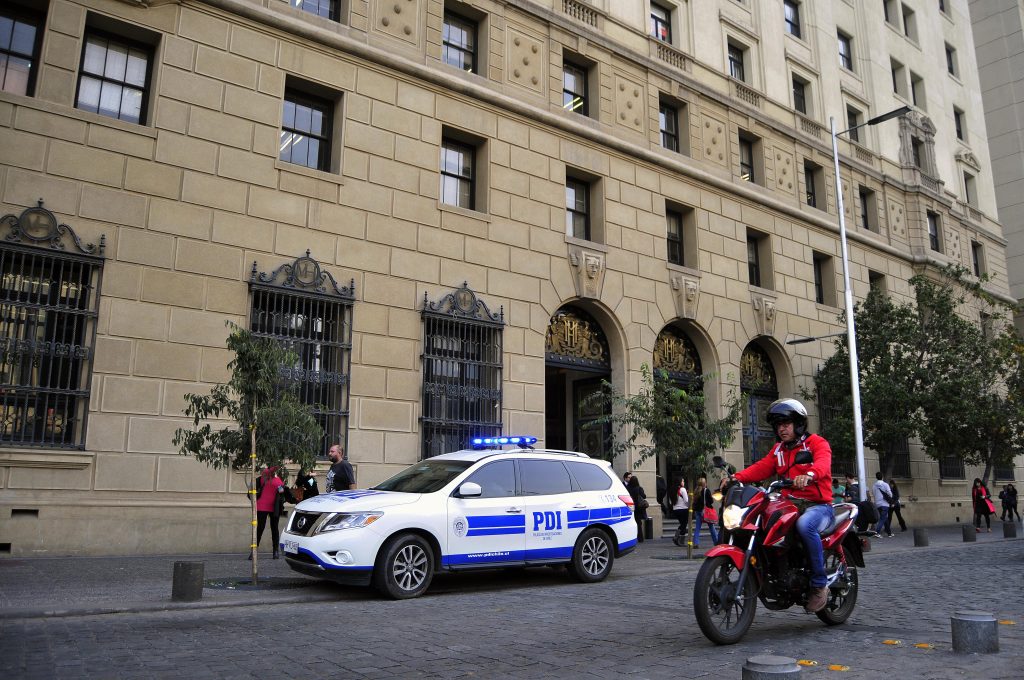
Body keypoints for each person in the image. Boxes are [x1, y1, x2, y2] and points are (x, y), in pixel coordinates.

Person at [726, 398, 833, 613]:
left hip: (817, 506)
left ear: (798, 424)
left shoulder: (816, 444)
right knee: (761, 519)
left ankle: (819, 585)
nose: (782, 429)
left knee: (805, 526)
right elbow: (762, 467)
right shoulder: (778, 450)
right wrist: (737, 478)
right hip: (788, 503)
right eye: (778, 425)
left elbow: (823, 463)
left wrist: (809, 475)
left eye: (786, 424)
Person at [254, 466, 285, 559]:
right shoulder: (264, 476)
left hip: (274, 507)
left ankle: (275, 551)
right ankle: (254, 551)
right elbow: (271, 470)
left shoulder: (278, 479)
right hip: (262, 506)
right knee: (260, 528)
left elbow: (281, 492)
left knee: (274, 528)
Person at [692, 477, 719, 548]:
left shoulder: (696, 491)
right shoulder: (706, 491)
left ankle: (695, 542)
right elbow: (711, 501)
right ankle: (716, 541)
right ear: (705, 483)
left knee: (697, 527)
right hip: (706, 511)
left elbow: (695, 502)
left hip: (698, 511)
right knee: (711, 526)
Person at [627, 475, 648, 543]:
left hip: (630, 507)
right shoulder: (639, 488)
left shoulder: (627, 488)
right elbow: (644, 496)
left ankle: (630, 538)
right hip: (639, 508)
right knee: (638, 523)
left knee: (630, 523)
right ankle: (640, 538)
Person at [872, 472, 893, 538]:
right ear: (882, 477)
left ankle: (889, 533)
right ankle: (877, 532)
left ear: (876, 477)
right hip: (884, 504)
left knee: (885, 518)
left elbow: (873, 494)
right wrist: (890, 498)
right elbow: (890, 494)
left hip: (877, 504)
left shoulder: (874, 485)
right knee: (883, 518)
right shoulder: (885, 484)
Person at [670, 477, 689, 546]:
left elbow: (670, 501)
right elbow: (686, 500)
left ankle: (676, 537)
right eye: (683, 481)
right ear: (680, 482)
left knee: (682, 524)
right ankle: (681, 541)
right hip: (683, 509)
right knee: (683, 525)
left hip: (676, 510)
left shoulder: (673, 489)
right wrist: (689, 506)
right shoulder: (682, 489)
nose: (684, 483)